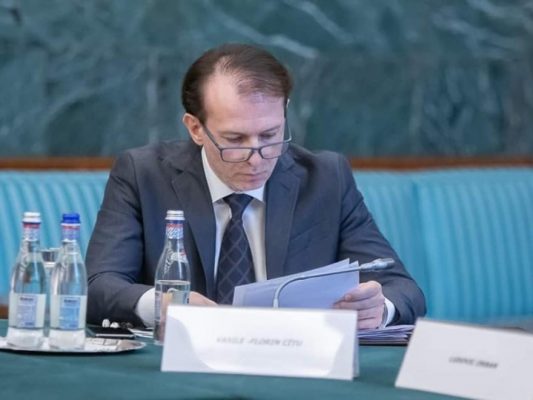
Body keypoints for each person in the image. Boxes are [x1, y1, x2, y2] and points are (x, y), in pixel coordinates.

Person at [86, 43, 426, 329]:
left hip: (294, 363)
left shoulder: (326, 179)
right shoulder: (144, 175)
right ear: (195, 128)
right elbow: (98, 286)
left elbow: (403, 289)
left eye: (270, 135)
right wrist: (162, 304)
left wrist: (379, 308)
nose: (256, 158)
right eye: (235, 139)